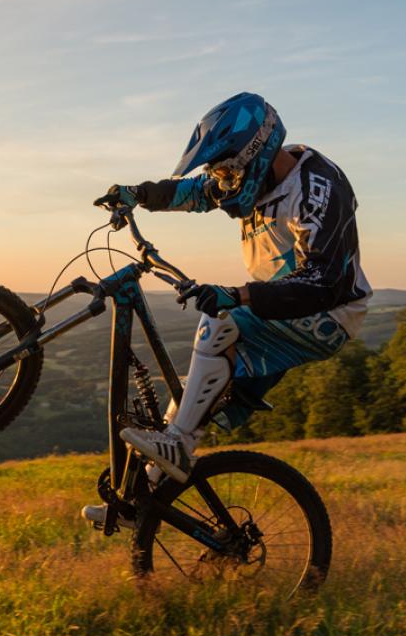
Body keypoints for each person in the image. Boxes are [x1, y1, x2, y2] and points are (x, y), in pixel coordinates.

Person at [83, 92, 372, 529]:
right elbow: (194, 192)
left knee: (218, 323)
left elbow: (323, 283)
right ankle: (138, 506)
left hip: (329, 313)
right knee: (190, 402)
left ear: (254, 152)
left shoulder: (318, 188)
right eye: (218, 171)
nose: (223, 181)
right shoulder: (243, 179)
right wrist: (138, 194)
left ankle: (176, 447)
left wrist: (239, 296)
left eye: (226, 169)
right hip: (280, 308)